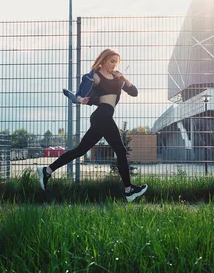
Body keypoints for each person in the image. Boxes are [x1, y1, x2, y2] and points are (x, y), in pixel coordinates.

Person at [38, 49, 148, 202]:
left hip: (103, 117)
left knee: (80, 150)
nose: (114, 64)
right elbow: (80, 93)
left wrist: (125, 79)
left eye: (116, 62)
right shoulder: (95, 76)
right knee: (120, 150)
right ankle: (128, 190)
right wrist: (80, 98)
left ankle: (47, 170)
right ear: (103, 60)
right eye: (112, 61)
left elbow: (134, 92)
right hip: (102, 116)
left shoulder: (117, 78)